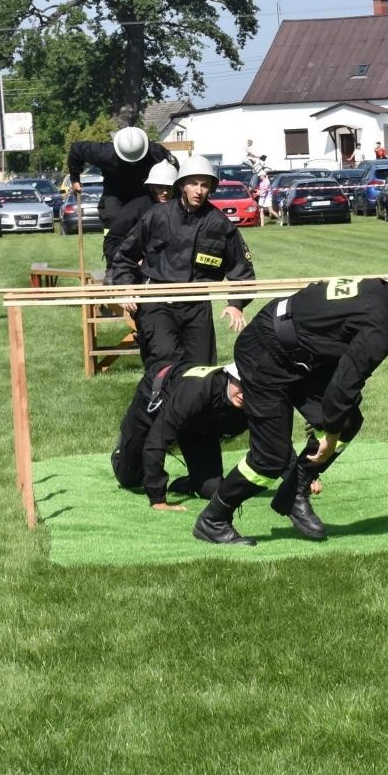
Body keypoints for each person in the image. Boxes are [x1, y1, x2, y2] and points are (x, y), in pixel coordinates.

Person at [191, 246, 388, 546]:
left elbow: (339, 363)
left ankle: (294, 493)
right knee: (270, 458)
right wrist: (328, 434)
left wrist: (328, 416)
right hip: (265, 354)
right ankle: (213, 519)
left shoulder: (384, 297)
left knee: (347, 418)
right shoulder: (382, 321)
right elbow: (347, 381)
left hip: (296, 356)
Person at [109, 154, 256, 366]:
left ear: (211, 188)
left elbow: (242, 270)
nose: (199, 190)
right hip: (156, 301)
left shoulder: (220, 224)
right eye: (193, 184)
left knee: (199, 370)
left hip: (196, 306)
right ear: (181, 186)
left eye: (204, 185)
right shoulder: (158, 216)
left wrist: (236, 304)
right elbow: (124, 256)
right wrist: (126, 287)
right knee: (165, 361)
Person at [111, 359, 247, 510]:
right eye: (241, 384)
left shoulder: (257, 402)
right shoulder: (197, 391)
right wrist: (158, 499)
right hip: (156, 393)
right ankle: (122, 450)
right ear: (229, 377)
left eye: (251, 388)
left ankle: (191, 481)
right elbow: (156, 441)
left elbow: (270, 442)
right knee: (129, 477)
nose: (244, 393)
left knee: (212, 489)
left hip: (198, 424)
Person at [67, 125, 177, 264]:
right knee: (113, 218)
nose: (133, 163)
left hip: (144, 191)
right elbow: (76, 150)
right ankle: (113, 261)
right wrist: (75, 178)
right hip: (115, 192)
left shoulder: (156, 152)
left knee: (152, 219)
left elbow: (173, 170)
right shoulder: (104, 152)